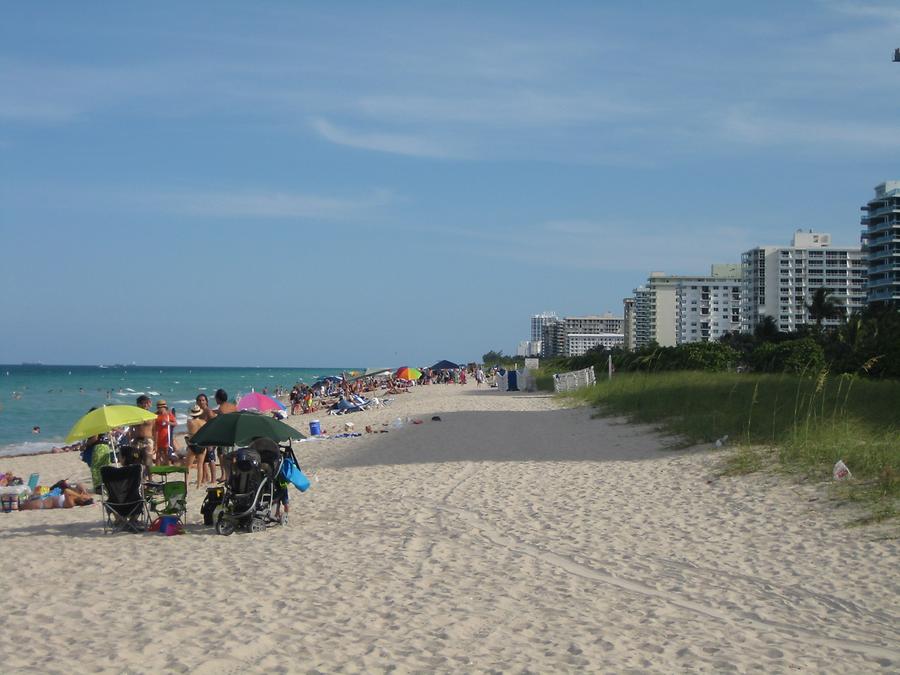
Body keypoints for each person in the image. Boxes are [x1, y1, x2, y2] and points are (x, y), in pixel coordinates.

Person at [130, 395, 155, 475]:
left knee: (148, 461)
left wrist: (156, 443)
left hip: (148, 439)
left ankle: (149, 480)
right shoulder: (135, 416)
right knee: (136, 460)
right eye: (143, 403)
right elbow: (131, 428)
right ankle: (139, 480)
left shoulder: (151, 415)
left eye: (147, 403)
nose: (146, 405)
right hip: (137, 440)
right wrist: (131, 439)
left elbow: (155, 430)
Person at [184, 404, 207, 488]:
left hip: (192, 444)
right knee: (200, 466)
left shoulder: (189, 422)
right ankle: (198, 484)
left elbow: (189, 431)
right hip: (201, 444)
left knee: (188, 466)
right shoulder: (203, 422)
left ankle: (186, 483)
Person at [154, 400, 177, 465]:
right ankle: (157, 469)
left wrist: (168, 422)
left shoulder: (168, 414)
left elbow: (175, 423)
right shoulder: (155, 415)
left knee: (166, 453)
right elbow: (154, 427)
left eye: (160, 408)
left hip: (166, 437)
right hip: (158, 436)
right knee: (158, 453)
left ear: (164, 407)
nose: (159, 409)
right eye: (158, 408)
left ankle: (167, 468)